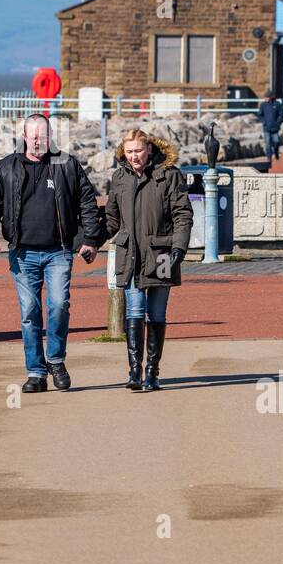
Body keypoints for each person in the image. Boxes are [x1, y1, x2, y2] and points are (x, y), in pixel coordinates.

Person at [0, 114, 102, 393]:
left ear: (50, 136)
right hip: (22, 253)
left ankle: (56, 360)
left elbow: (87, 202)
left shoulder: (66, 164)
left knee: (59, 305)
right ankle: (36, 372)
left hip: (58, 251)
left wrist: (91, 239)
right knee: (30, 311)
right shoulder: (6, 167)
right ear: (24, 136)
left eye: (43, 136)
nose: (37, 141)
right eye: (33, 136)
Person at [104, 130, 193, 391]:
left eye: (138, 151)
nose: (134, 156)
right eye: (129, 152)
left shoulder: (169, 175)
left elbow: (182, 214)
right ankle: (134, 371)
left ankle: (153, 372)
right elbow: (111, 219)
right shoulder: (119, 178)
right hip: (130, 253)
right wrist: (88, 239)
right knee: (133, 310)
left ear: (149, 150)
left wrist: (179, 247)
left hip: (163, 254)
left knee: (156, 313)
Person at [257, 93, 283, 164]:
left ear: (271, 97)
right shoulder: (263, 105)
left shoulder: (277, 104)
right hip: (267, 128)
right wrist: (263, 121)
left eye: (267, 97)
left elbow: (281, 114)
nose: (265, 99)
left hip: (275, 128)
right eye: (265, 97)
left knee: (276, 141)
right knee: (268, 143)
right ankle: (269, 158)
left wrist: (278, 122)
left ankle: (276, 153)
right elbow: (260, 114)